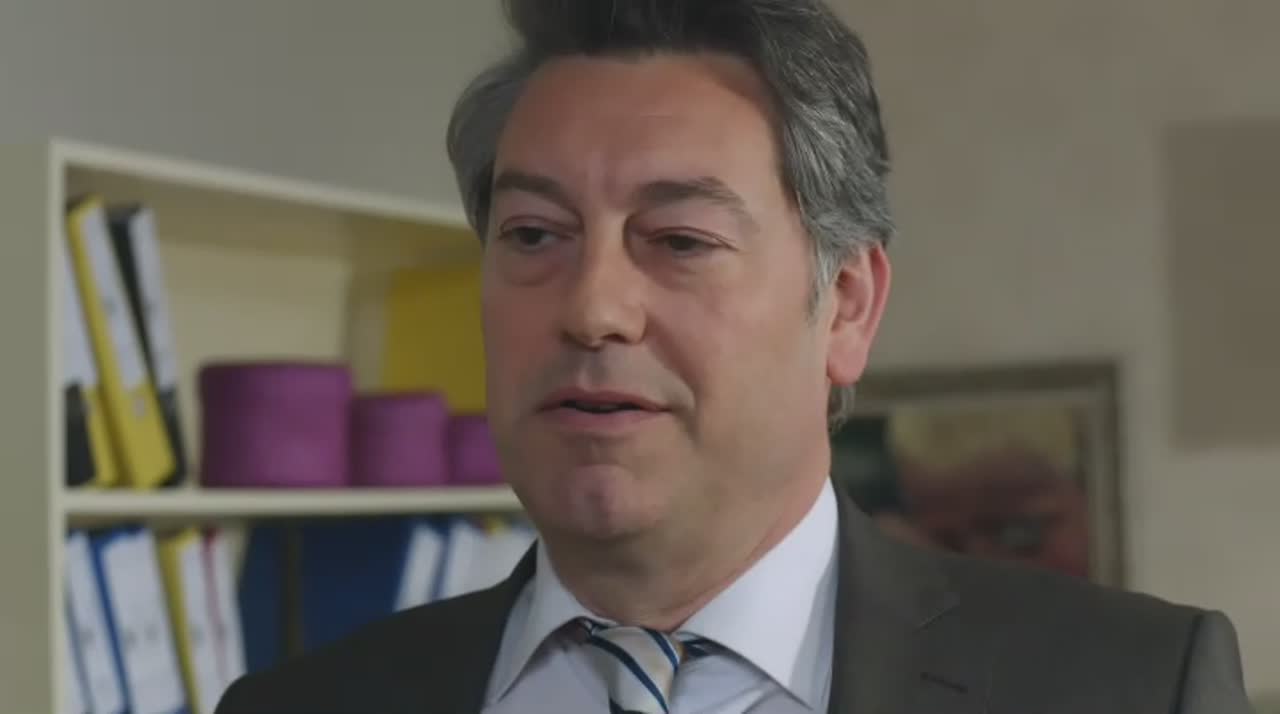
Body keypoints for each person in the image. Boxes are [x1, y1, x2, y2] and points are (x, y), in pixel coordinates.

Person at [215, 1, 1254, 712]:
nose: (592, 309)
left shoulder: (1126, 688)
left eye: (678, 241)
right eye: (534, 234)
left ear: (846, 307)